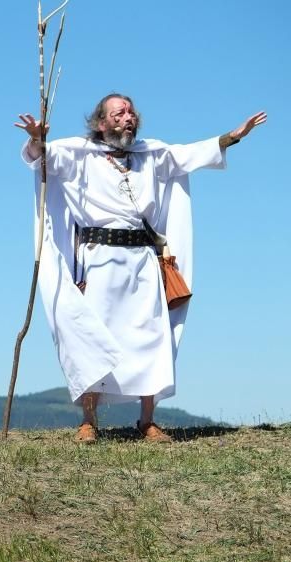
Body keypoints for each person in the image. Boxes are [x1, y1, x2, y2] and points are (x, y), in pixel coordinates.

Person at [15, 94, 266, 442]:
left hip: (143, 261)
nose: (128, 118)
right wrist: (36, 138)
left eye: (131, 113)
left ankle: (147, 421)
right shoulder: (78, 155)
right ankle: (89, 421)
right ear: (101, 123)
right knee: (91, 336)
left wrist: (231, 137)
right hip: (99, 260)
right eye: (119, 113)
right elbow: (42, 159)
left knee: (151, 337)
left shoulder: (151, 155)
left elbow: (188, 155)